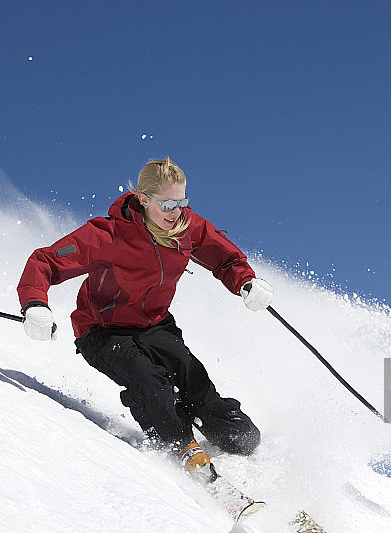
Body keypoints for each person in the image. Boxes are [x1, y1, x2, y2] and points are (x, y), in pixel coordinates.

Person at [17, 158, 274, 479]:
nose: (176, 211)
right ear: (143, 199)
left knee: (195, 382)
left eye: (182, 202)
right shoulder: (109, 235)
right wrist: (35, 304)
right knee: (148, 382)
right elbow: (46, 262)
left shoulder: (186, 228)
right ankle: (180, 446)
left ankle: (241, 443)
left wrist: (245, 281)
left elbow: (225, 257)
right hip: (103, 331)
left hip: (155, 324)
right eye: (167, 204)